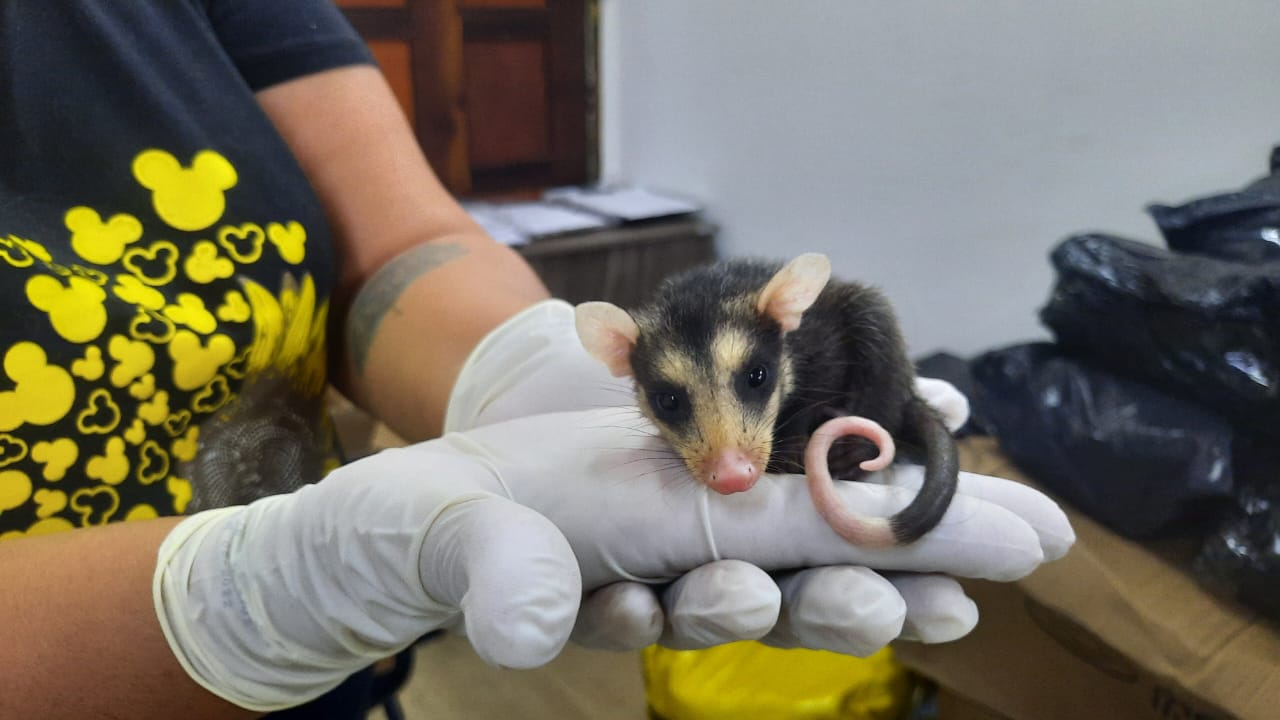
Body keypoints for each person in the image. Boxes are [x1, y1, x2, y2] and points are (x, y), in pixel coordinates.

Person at [0, 2, 1074, 718]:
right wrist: (241, 597)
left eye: (749, 388)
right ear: (622, 361)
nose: (726, 459)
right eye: (666, 404)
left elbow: (389, 241)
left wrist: (503, 369)